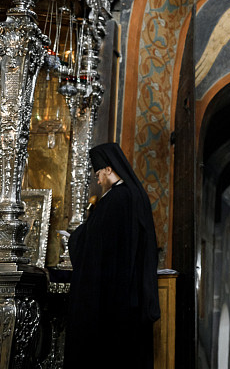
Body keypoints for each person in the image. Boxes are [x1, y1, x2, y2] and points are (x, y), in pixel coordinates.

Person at [65, 143, 160, 369]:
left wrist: (75, 238)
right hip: (129, 294)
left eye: (98, 174)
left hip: (112, 297)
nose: (98, 181)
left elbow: (96, 244)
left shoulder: (116, 199)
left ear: (108, 169)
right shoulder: (133, 195)